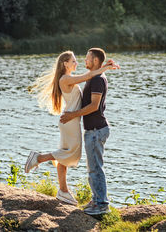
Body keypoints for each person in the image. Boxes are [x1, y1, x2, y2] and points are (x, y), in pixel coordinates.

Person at [25, 50, 118, 206]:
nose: (77, 63)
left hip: (70, 120)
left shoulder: (68, 78)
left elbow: (87, 76)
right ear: (65, 64)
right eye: (73, 61)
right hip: (70, 120)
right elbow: (87, 76)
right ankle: (38, 158)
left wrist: (103, 67)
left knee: (65, 156)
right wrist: (105, 68)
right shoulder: (66, 79)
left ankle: (63, 191)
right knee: (72, 154)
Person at [60, 47, 115, 215]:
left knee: (95, 168)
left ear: (96, 61)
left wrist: (72, 115)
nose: (85, 61)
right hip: (93, 130)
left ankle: (101, 204)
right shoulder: (93, 76)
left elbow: (93, 106)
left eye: (88, 58)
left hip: (96, 130)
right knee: (93, 168)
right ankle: (97, 199)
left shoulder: (98, 79)